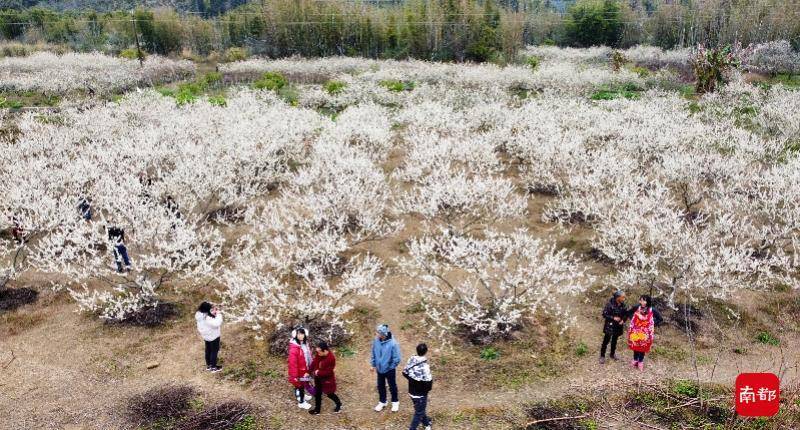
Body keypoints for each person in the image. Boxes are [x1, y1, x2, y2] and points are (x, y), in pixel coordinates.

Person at [371, 323, 402, 412]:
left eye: (377, 332)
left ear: (383, 334)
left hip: (389, 370)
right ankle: (382, 401)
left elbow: (397, 358)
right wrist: (373, 364)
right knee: (380, 386)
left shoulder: (393, 343)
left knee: (392, 386)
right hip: (379, 369)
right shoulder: (376, 340)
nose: (376, 334)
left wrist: (390, 367)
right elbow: (373, 352)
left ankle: (395, 402)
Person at [402, 343, 433, 430]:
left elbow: (404, 372)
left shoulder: (411, 359)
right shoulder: (425, 366)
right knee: (419, 412)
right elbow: (428, 382)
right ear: (426, 352)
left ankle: (426, 424)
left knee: (420, 409)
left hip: (411, 391)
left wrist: (412, 381)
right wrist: (425, 390)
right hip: (420, 394)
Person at [308, 341, 342, 415]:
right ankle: (317, 410)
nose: (318, 353)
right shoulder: (319, 354)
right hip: (318, 379)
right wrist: (309, 371)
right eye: (317, 351)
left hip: (327, 380)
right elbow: (314, 362)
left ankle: (339, 404)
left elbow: (329, 372)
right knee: (318, 394)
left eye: (319, 352)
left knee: (330, 394)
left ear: (325, 351)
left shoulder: (331, 358)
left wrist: (317, 372)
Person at [288, 327, 314, 410]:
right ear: (295, 335)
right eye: (298, 334)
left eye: (302, 333)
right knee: (300, 386)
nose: (300, 336)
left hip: (304, 370)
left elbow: (308, 357)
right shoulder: (294, 348)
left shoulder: (304, 344)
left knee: (303, 385)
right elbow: (293, 364)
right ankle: (301, 402)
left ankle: (302, 396)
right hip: (299, 372)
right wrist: (294, 376)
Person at [599, 290, 628, 364]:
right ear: (618, 298)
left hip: (618, 325)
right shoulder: (609, 304)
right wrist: (613, 318)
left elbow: (626, 314)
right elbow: (604, 314)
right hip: (610, 325)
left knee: (614, 340)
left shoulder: (623, 305)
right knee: (606, 341)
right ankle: (602, 356)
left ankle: (612, 354)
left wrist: (623, 320)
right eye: (623, 297)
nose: (624, 298)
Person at [628, 295, 656, 370]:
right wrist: (633, 321)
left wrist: (650, 324)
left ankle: (640, 361)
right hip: (636, 330)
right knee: (635, 345)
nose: (642, 302)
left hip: (645, 332)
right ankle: (635, 359)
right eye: (641, 300)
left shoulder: (651, 309)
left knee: (642, 347)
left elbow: (660, 319)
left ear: (648, 301)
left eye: (644, 300)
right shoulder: (637, 307)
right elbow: (629, 312)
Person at [195, 302, 223, 372]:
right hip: (213, 336)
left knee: (208, 350)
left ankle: (209, 365)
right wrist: (219, 314)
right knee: (214, 351)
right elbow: (216, 323)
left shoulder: (199, 314)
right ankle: (213, 368)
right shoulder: (207, 317)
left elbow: (208, 321)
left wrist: (213, 314)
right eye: (210, 308)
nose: (211, 309)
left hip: (206, 336)